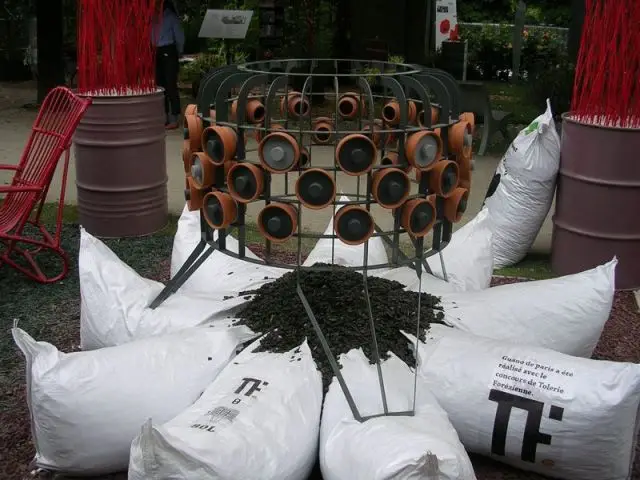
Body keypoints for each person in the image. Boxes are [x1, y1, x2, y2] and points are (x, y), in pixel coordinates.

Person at [153, 0, 185, 129]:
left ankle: (174, 117)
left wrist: (179, 51)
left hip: (168, 49)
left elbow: (179, 36)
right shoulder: (152, 18)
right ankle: (164, 117)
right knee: (160, 86)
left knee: (170, 84)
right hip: (156, 51)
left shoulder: (170, 17)